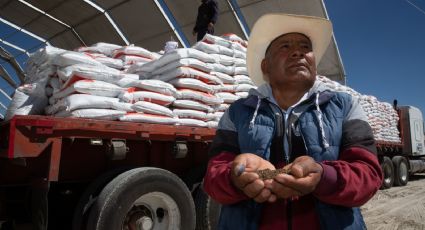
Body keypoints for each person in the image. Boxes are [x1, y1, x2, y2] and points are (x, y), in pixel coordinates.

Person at [203, 13, 383, 229]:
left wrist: (324, 176)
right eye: (285, 46)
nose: (298, 52)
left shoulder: (345, 106)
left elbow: (368, 173)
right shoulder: (237, 113)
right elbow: (213, 178)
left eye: (305, 47)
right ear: (265, 67)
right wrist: (235, 176)